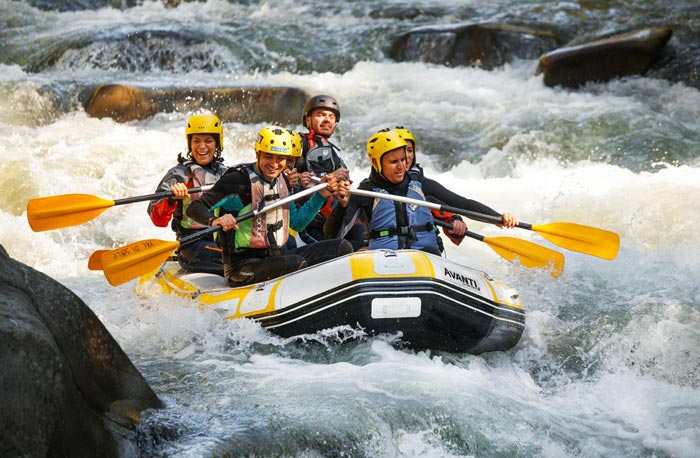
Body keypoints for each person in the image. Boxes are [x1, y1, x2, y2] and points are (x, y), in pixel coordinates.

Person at [186, 125, 353, 287]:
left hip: (276, 256)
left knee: (341, 247)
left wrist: (321, 195)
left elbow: (297, 223)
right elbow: (194, 208)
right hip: (241, 267)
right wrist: (215, 221)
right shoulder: (238, 181)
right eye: (268, 156)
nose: (274, 164)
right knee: (295, 263)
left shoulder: (283, 181)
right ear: (257, 154)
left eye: (280, 159)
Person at [324, 129, 518, 255]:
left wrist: (497, 217)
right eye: (394, 162)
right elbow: (332, 236)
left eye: (403, 159)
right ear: (376, 163)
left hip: (425, 257)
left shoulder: (421, 185)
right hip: (384, 259)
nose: (401, 166)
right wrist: (342, 207)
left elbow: (463, 203)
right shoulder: (365, 193)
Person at [148, 114, 227, 275]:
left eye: (208, 141)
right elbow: (157, 219)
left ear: (217, 143)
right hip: (193, 245)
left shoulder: (226, 174)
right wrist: (171, 199)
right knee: (233, 258)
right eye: (196, 141)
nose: (202, 147)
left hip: (222, 240)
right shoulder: (178, 175)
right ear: (190, 144)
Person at [295, 94, 365, 247]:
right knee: (342, 246)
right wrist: (300, 177)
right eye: (320, 115)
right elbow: (281, 175)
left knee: (361, 235)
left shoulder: (332, 151)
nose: (327, 120)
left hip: (332, 217)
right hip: (309, 221)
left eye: (331, 116)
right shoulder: (299, 143)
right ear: (308, 120)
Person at [394, 126, 466, 254]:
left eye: (409, 150)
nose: (406, 156)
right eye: (400, 151)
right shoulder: (373, 188)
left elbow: (451, 215)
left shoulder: (424, 188)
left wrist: (456, 224)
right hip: (387, 254)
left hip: (424, 254)